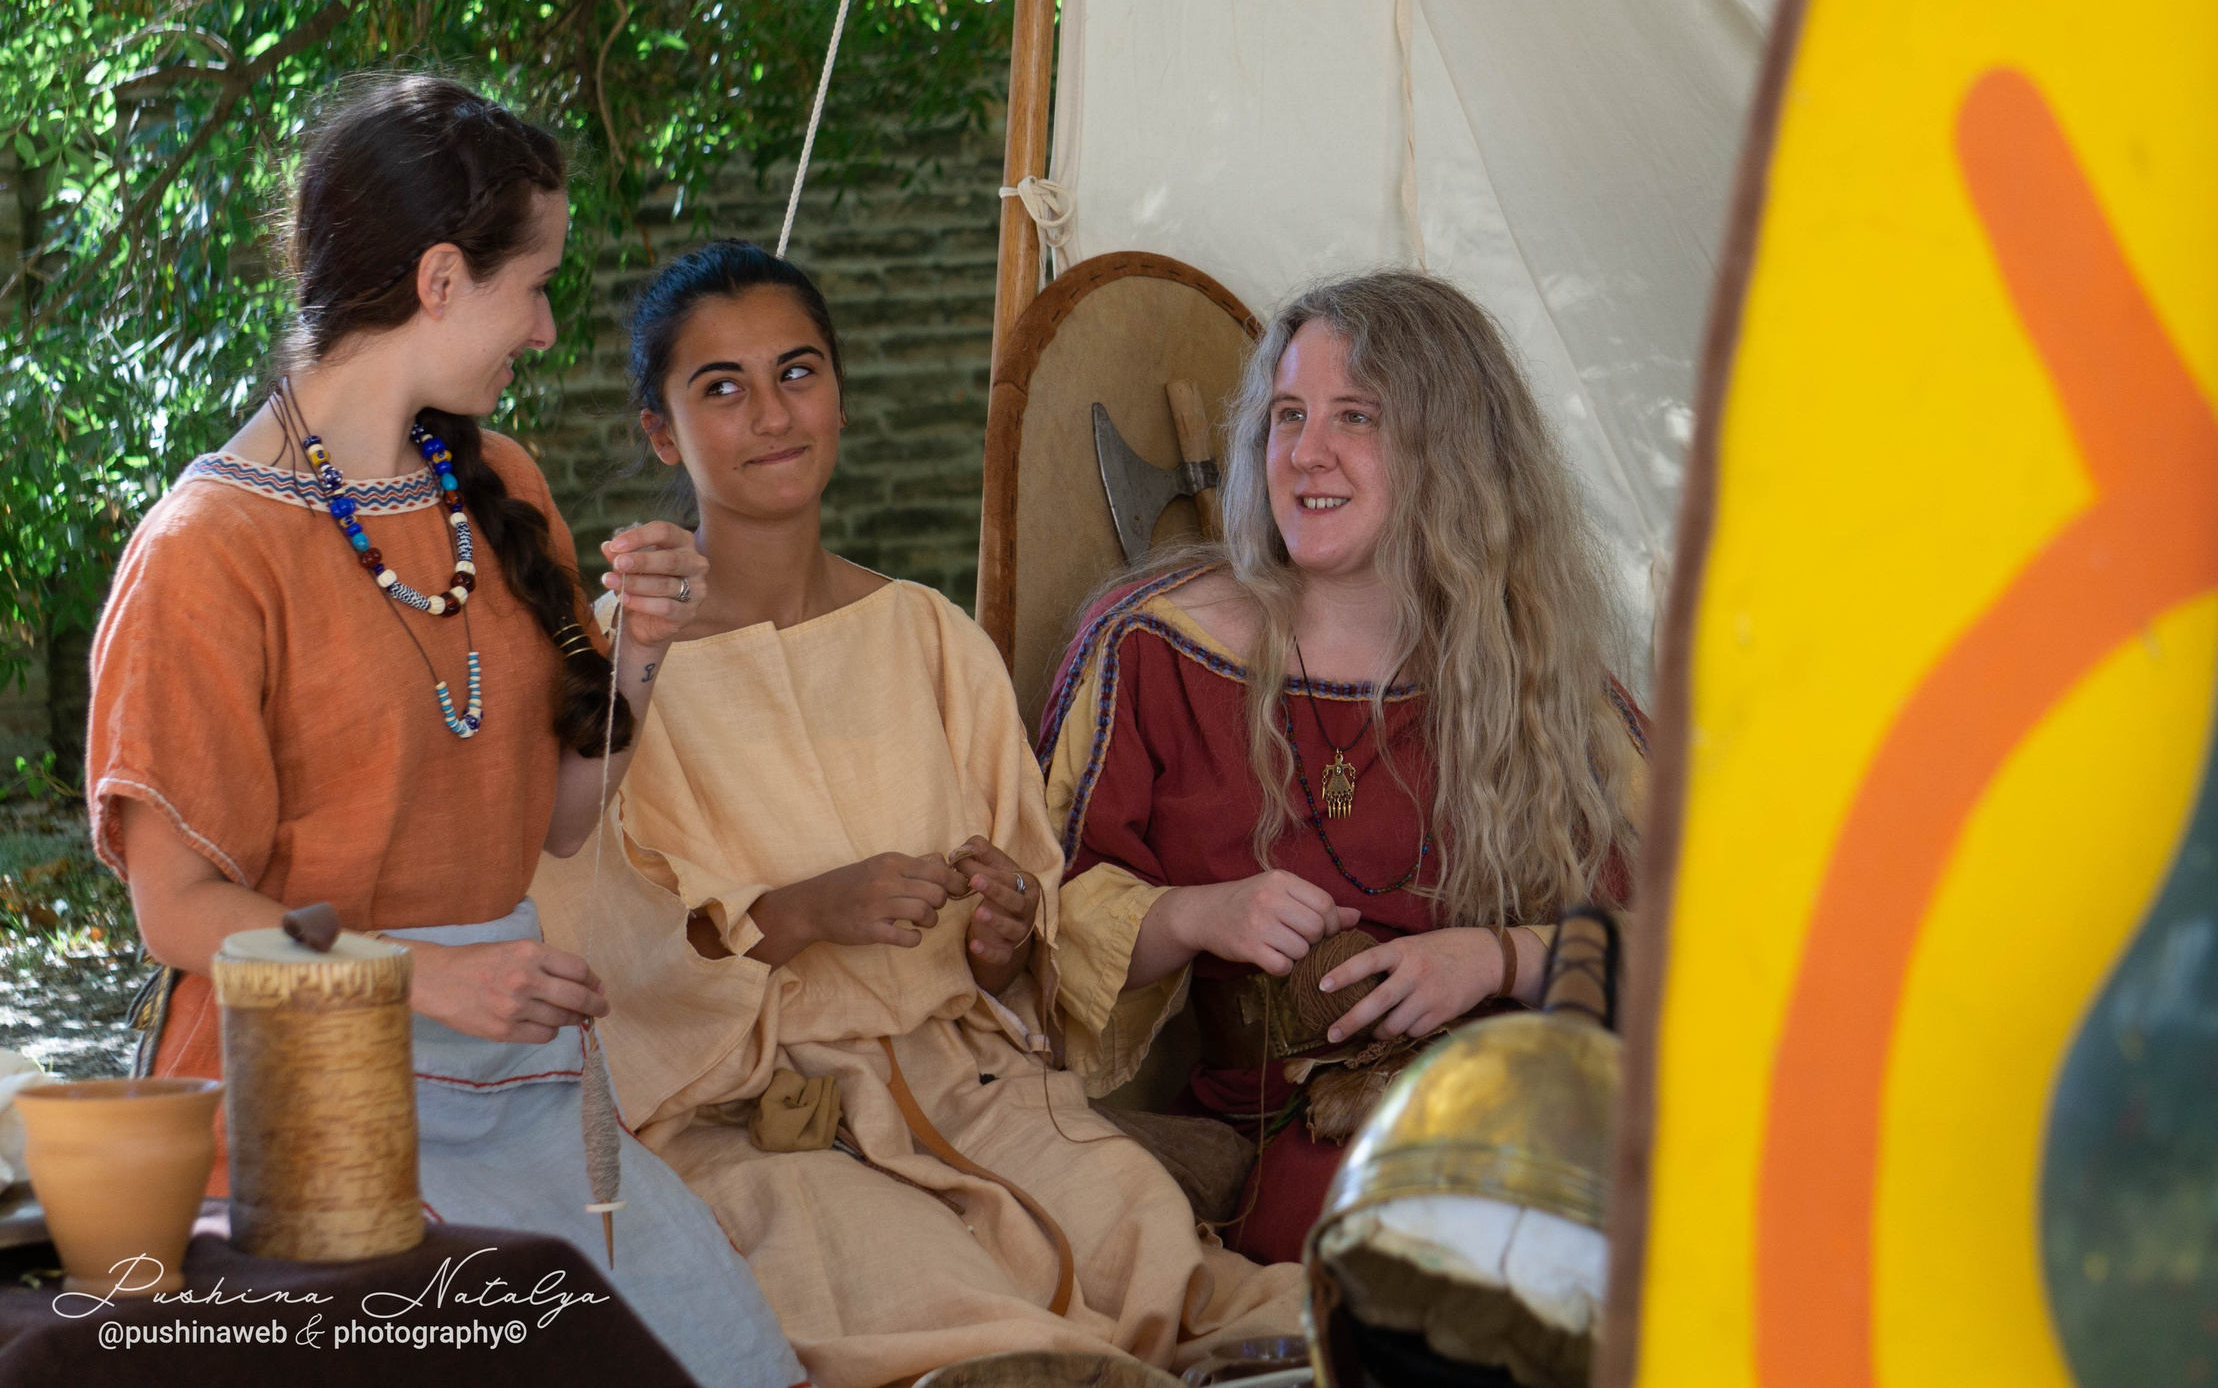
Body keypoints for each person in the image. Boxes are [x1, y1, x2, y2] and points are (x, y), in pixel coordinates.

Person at [86, 76, 802, 1387]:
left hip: (510, 1079)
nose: (541, 327)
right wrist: (428, 975)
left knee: (722, 1359)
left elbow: (561, 819)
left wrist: (638, 648)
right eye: (530, 285)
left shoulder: (501, 484)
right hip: (301, 1100)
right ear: (436, 280)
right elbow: (176, 909)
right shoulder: (208, 551)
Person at [534, 241, 1302, 1388]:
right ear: (662, 432)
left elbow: (1024, 949)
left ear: (840, 390)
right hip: (751, 1121)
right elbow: (593, 944)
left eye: (798, 373)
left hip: (968, 1084)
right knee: (925, 1298)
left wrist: (1001, 933)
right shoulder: (619, 660)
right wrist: (800, 913)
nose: (771, 415)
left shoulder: (930, 636)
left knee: (1141, 1231)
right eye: (722, 388)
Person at [1040, 270, 1647, 1265]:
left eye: (1354, 416)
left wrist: (1494, 959)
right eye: (1286, 415)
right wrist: (1198, 914)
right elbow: (1028, 936)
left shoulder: (1530, 665)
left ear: (1450, 452)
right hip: (1306, 1135)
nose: (1305, 454)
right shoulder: (1154, 650)